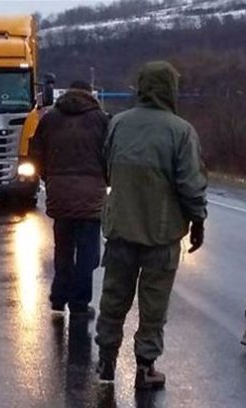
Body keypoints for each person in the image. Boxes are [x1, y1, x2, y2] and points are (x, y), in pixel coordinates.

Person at [95, 61, 208, 389]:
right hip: (162, 232)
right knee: (153, 303)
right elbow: (190, 184)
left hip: (120, 227)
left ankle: (106, 359)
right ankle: (145, 366)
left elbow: (107, 168)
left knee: (114, 296)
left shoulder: (118, 123)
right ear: (171, 89)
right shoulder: (181, 131)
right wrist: (197, 220)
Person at [30, 80, 109, 318]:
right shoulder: (101, 120)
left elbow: (34, 154)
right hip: (91, 194)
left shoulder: (50, 120)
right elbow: (112, 153)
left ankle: (58, 296)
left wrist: (49, 177)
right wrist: (105, 179)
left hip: (59, 193)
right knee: (88, 253)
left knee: (63, 249)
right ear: (89, 94)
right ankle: (79, 302)